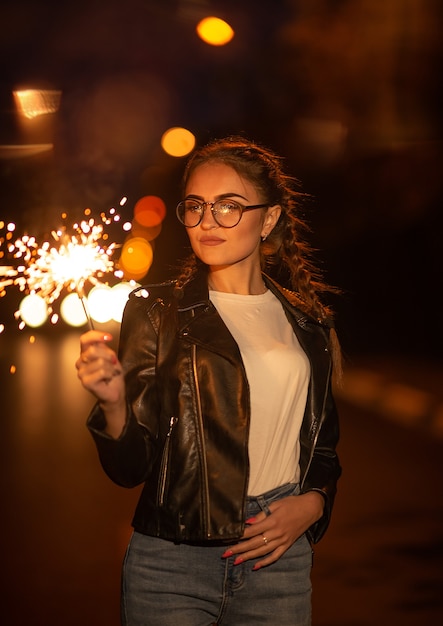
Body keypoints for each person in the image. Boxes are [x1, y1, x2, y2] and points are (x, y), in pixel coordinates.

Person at [76, 136, 342, 626]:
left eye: (228, 206)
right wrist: (114, 404)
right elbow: (130, 468)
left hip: (277, 560)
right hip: (172, 562)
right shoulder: (156, 313)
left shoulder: (309, 325)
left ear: (269, 219)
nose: (206, 222)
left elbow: (322, 451)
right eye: (196, 206)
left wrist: (312, 504)